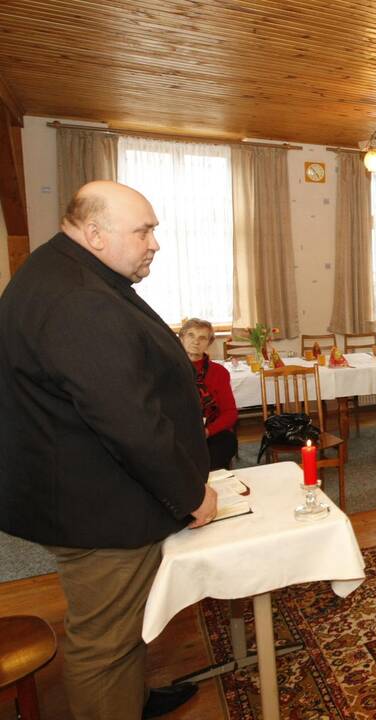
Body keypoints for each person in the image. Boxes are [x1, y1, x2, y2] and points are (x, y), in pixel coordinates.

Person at [0, 181, 217, 719]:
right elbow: (129, 422)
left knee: (122, 626)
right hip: (99, 506)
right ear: (94, 234)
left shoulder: (71, 273)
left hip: (90, 490)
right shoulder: (78, 300)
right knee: (104, 643)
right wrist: (191, 494)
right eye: (144, 231)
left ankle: (135, 696)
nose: (154, 244)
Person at [179, 317, 239, 470]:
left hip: (210, 432)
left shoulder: (219, 373)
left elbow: (230, 413)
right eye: (191, 335)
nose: (196, 341)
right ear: (181, 337)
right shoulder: (169, 369)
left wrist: (207, 431)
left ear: (209, 343)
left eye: (202, 337)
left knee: (226, 441)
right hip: (179, 432)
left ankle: (208, 484)